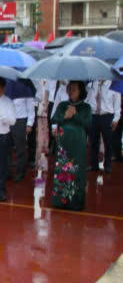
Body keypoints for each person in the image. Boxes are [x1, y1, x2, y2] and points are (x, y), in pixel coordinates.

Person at [51, 81, 92, 210]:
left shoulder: (86, 107)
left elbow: (88, 123)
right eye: (70, 89)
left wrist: (76, 114)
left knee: (76, 170)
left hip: (78, 143)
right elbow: (54, 119)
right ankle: (60, 200)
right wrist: (65, 115)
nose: (71, 91)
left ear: (81, 91)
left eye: (74, 89)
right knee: (62, 169)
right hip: (63, 142)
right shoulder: (63, 105)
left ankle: (75, 202)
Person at [86, 80, 120, 174]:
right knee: (93, 142)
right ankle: (94, 165)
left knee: (108, 142)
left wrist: (116, 119)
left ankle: (107, 165)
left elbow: (117, 105)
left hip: (107, 116)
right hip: (93, 116)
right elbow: (87, 100)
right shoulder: (91, 85)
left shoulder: (113, 86)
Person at [10, 95, 35, 182]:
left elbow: (31, 108)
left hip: (20, 120)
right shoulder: (7, 86)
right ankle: (7, 172)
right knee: (6, 147)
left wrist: (29, 124)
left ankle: (20, 172)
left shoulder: (25, 89)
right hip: (7, 119)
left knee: (21, 148)